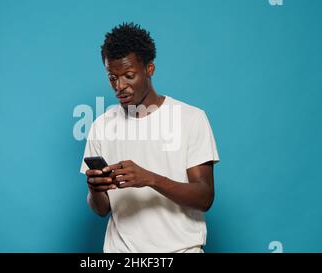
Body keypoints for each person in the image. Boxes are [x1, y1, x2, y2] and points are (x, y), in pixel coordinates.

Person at [80, 22, 220, 253]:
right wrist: (95, 189)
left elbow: (205, 197)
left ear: (149, 69)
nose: (120, 86)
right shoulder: (100, 126)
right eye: (112, 77)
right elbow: (102, 209)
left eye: (129, 75)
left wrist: (150, 178)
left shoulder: (190, 118)